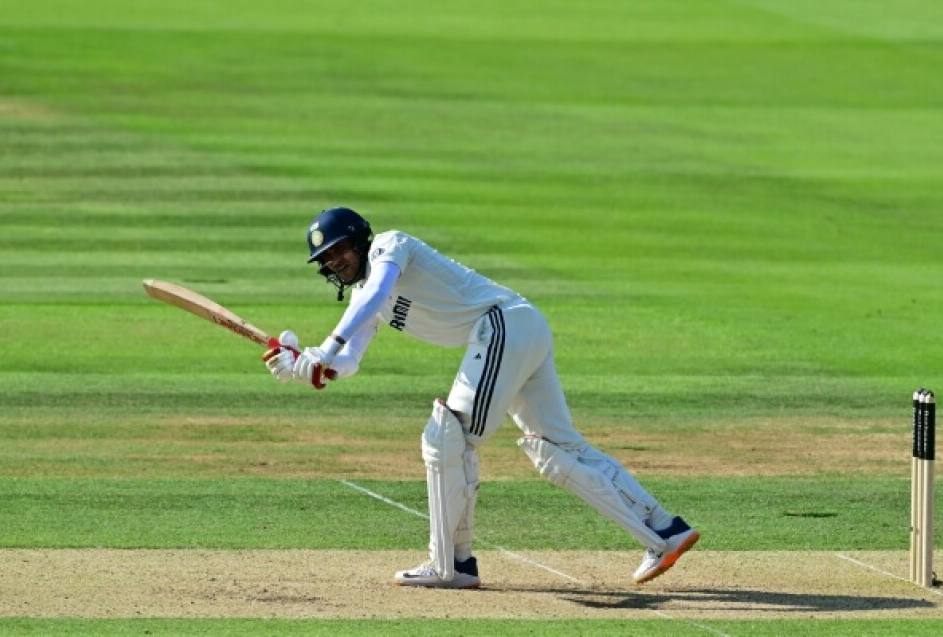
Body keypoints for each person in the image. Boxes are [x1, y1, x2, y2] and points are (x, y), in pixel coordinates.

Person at [262, 207, 698, 589]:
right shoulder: (362, 298)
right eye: (327, 259)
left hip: (502, 325)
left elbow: (375, 296)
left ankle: (450, 563)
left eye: (340, 250)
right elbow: (349, 358)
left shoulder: (389, 248)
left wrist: (326, 346)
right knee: (557, 450)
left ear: (359, 240)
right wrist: (309, 365)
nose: (336, 262)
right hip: (518, 329)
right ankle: (665, 529)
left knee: (446, 436)